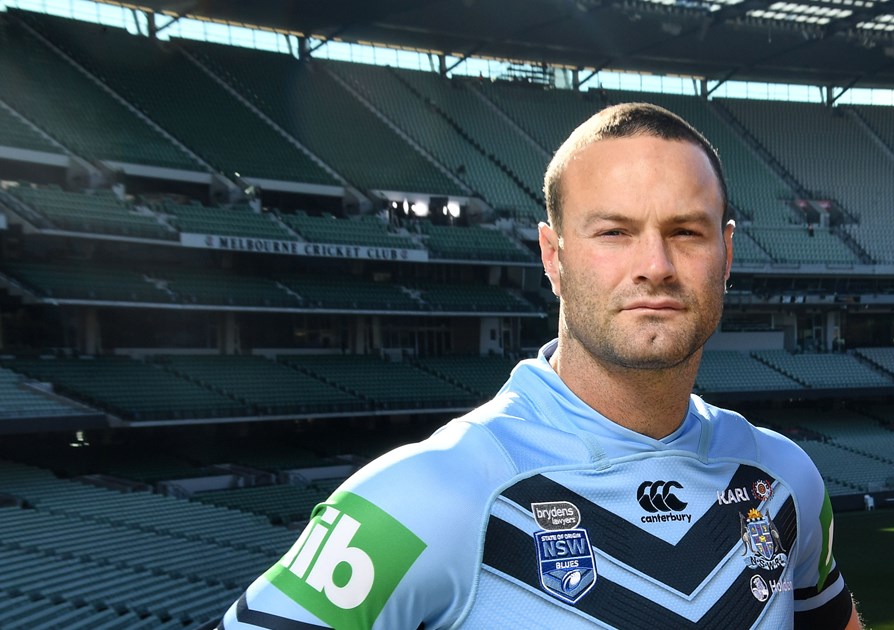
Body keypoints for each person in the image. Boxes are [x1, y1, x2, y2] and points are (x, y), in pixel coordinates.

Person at [223, 103, 860, 630]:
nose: (655, 265)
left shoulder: (784, 479)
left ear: (727, 253)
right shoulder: (424, 495)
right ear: (553, 257)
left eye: (687, 232)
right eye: (613, 232)